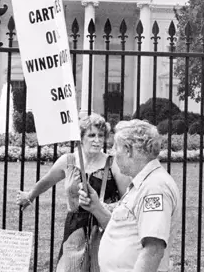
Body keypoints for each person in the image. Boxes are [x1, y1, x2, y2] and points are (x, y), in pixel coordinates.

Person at [16, 113, 130, 272]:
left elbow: (129, 199)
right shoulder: (68, 161)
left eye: (101, 135)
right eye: (91, 135)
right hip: (75, 228)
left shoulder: (112, 163)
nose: (97, 140)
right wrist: (29, 196)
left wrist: (107, 207)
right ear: (81, 137)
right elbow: (46, 181)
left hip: (104, 226)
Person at [78, 119, 181, 272]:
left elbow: (153, 250)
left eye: (115, 147)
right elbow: (123, 230)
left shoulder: (154, 187)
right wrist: (95, 207)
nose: (112, 152)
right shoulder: (140, 184)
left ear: (128, 150)